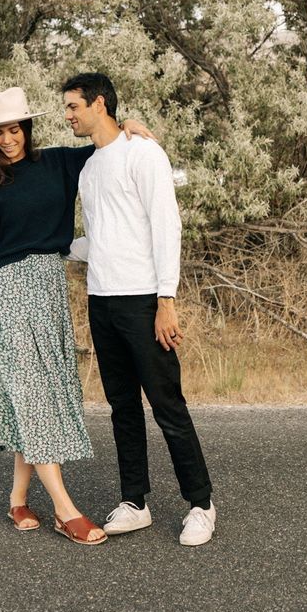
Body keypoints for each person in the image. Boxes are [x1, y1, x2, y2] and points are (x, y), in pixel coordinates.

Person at [0, 85, 150, 546]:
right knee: (34, 397)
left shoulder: (58, 163)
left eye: (14, 129)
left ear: (26, 128)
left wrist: (125, 127)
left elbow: (101, 147)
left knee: (37, 395)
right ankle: (66, 511)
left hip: (48, 291)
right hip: (9, 295)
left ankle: (17, 499)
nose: (8, 139)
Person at [62, 73, 215, 546]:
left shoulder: (143, 152)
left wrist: (165, 300)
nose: (67, 115)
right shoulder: (88, 169)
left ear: (99, 104)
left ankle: (202, 504)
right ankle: (135, 501)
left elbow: (166, 226)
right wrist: (49, 246)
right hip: (101, 301)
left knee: (167, 405)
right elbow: (102, 239)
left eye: (73, 106)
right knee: (122, 407)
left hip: (144, 300)